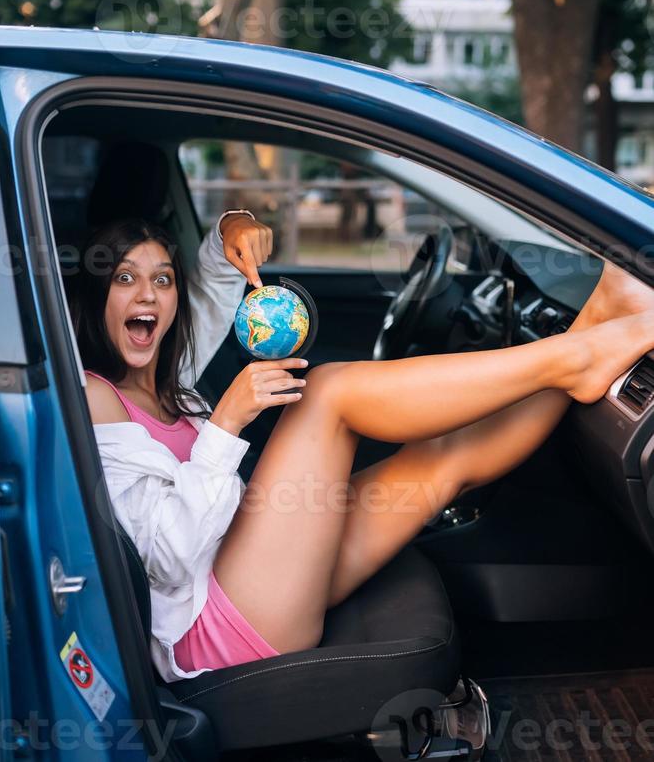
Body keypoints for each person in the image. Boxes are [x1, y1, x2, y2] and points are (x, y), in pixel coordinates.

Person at [74, 213, 654, 683]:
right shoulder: (94, 396)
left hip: (254, 570)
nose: (146, 294)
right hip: (212, 625)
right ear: (97, 297)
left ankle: (593, 325)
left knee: (438, 461)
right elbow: (166, 558)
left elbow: (218, 262)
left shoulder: (175, 378)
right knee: (328, 393)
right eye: (124, 278)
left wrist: (237, 223)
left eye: (162, 279)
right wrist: (225, 426)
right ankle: (581, 357)